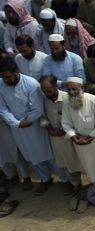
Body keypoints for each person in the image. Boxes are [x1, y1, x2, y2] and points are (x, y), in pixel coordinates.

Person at [0, 57, 59, 195]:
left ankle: (65, 180)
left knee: (49, 154)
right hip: (17, 128)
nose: (6, 80)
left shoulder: (31, 84)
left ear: (16, 72)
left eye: (8, 77)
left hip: (36, 125)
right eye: (3, 77)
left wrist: (27, 121)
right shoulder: (1, 84)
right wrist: (16, 123)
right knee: (31, 156)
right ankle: (45, 179)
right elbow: (2, 109)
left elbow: (37, 109)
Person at [40, 75, 82, 194]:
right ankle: (74, 184)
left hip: (69, 136)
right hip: (54, 136)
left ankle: (83, 183)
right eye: (44, 91)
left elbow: (75, 117)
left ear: (55, 87)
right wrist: (50, 130)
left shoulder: (67, 98)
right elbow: (42, 117)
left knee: (73, 161)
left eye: (48, 91)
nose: (46, 93)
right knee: (63, 162)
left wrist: (63, 130)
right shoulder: (43, 99)